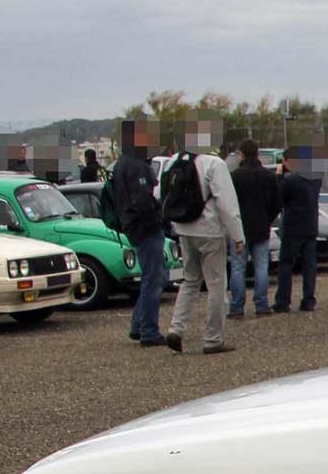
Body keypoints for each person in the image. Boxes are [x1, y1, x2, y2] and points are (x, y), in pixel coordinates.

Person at [157, 124, 245, 354]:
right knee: (216, 285)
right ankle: (212, 339)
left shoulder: (174, 161)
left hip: (184, 228)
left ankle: (176, 329)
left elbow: (160, 194)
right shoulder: (214, 163)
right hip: (209, 230)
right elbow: (227, 204)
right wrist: (237, 236)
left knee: (190, 280)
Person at [110, 118, 168, 347]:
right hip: (144, 228)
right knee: (154, 279)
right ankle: (149, 331)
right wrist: (157, 222)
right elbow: (142, 200)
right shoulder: (136, 164)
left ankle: (139, 326)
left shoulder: (123, 161)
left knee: (150, 278)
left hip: (133, 226)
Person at [228, 139, 282, 318]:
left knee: (237, 268)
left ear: (241, 154)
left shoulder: (235, 176)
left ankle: (236, 306)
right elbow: (277, 203)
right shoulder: (268, 175)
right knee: (261, 267)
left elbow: (228, 204)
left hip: (239, 230)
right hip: (261, 227)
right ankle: (261, 304)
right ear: (257, 153)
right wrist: (267, 220)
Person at [273, 145, 321, 313]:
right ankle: (309, 300)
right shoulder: (316, 177)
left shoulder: (291, 180)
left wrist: (279, 175)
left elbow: (277, 194)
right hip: (311, 225)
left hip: (293, 226)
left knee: (286, 265)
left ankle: (283, 301)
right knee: (309, 265)